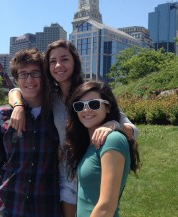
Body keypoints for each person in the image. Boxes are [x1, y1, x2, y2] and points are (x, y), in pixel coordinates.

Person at [8, 39, 138, 217]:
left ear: (74, 61)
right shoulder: (50, 96)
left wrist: (112, 125)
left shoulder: (89, 92)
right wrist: (18, 106)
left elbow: (132, 130)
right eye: (53, 61)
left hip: (92, 171)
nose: (58, 65)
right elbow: (16, 90)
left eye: (64, 59)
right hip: (66, 174)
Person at [0, 48, 61, 217]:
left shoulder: (58, 114)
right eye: (23, 74)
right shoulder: (1, 115)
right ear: (16, 79)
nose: (29, 79)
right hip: (8, 207)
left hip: (46, 207)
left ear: (44, 77)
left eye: (35, 73)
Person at [65, 81, 141, 217]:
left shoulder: (113, 140)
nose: (86, 110)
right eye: (79, 105)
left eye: (94, 104)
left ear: (107, 107)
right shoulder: (90, 143)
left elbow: (107, 206)